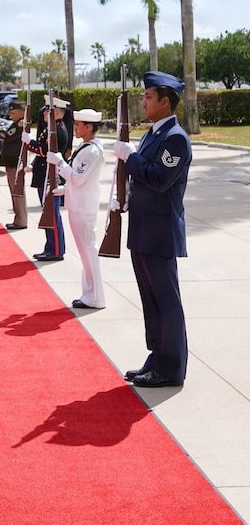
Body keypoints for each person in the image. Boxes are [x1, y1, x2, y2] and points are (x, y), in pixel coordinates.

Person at [114, 71, 191, 388]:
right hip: (144, 228)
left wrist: (130, 158)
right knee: (151, 300)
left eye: (148, 97)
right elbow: (143, 182)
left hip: (160, 232)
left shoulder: (175, 138)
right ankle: (157, 358)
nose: (143, 101)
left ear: (165, 101)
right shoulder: (152, 134)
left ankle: (171, 368)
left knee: (166, 301)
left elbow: (159, 178)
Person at [50, 108, 106, 309]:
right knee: (86, 253)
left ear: (89, 127)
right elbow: (79, 180)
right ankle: (90, 294)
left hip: (83, 208)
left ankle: (95, 298)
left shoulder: (91, 151)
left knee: (89, 252)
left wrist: (59, 162)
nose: (75, 128)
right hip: (79, 204)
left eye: (79, 125)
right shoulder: (86, 147)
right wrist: (65, 190)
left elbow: (77, 177)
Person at [24, 96, 69, 261]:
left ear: (55, 112)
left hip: (50, 178)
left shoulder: (57, 130)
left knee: (52, 215)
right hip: (44, 175)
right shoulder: (51, 128)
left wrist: (30, 142)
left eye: (47, 111)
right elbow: (44, 155)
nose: (43, 113)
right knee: (49, 214)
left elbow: (44, 150)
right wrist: (33, 165)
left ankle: (56, 250)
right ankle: (50, 248)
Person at [0, 100, 29, 231]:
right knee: (15, 192)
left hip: (15, 162)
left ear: (21, 113)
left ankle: (21, 220)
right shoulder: (16, 123)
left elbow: (6, 136)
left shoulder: (20, 125)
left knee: (17, 192)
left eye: (13, 112)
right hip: (12, 161)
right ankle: (18, 219)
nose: (11, 115)